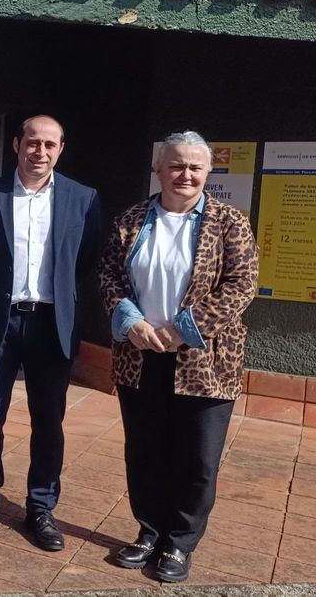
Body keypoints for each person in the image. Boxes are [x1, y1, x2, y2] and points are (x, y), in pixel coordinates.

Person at [99, 131, 258, 583]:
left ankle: (180, 542)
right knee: (145, 452)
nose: (184, 174)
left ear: (207, 173)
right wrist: (131, 322)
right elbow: (110, 275)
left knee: (197, 459)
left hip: (205, 362)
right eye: (176, 165)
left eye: (195, 167)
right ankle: (149, 531)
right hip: (140, 355)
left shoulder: (230, 222)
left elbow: (242, 285)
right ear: (159, 169)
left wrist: (182, 330)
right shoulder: (131, 218)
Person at [0, 116, 103, 550]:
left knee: (49, 421)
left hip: (51, 323)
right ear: (17, 144)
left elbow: (87, 258)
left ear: (61, 149)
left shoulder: (83, 199)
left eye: (49, 145)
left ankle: (41, 506)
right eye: (32, 143)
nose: (40, 151)